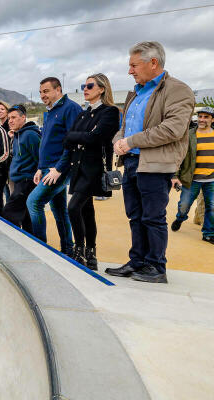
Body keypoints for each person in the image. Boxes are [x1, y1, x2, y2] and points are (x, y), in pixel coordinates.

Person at [107, 41, 195, 283]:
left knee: (152, 217)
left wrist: (131, 141)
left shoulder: (178, 90)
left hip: (156, 165)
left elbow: (173, 129)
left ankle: (156, 267)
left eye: (134, 65)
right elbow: (124, 126)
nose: (130, 71)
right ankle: (137, 262)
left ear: (153, 63)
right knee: (135, 215)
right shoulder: (136, 92)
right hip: (133, 162)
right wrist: (119, 141)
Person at [64, 74, 120, 270]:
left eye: (89, 85)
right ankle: (90, 252)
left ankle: (79, 249)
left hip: (95, 169)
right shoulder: (83, 113)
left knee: (73, 208)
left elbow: (97, 138)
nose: (85, 89)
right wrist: (82, 136)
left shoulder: (110, 112)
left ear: (102, 89)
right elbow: (67, 139)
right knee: (87, 211)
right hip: (79, 168)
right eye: (83, 85)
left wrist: (80, 137)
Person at [27, 77, 81, 256]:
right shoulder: (49, 112)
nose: (42, 95)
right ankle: (68, 250)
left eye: (46, 91)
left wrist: (58, 169)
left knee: (34, 202)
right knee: (59, 210)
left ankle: (40, 248)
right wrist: (40, 167)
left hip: (59, 169)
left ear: (58, 90)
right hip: (48, 168)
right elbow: (47, 142)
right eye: (41, 92)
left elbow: (72, 141)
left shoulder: (70, 108)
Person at [170, 107, 214, 244]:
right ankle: (180, 218)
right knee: (184, 205)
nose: (202, 119)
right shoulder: (189, 135)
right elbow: (179, 156)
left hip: (211, 179)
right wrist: (174, 175)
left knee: (211, 207)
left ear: (212, 119)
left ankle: (208, 233)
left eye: (206, 117)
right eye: (200, 116)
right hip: (191, 179)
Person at [2, 105, 40, 233]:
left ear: (23, 117)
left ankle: (14, 241)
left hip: (27, 181)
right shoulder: (18, 135)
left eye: (13, 117)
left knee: (9, 212)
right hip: (19, 181)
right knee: (25, 216)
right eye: (8, 118)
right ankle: (30, 240)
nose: (10, 121)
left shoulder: (30, 135)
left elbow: (40, 157)